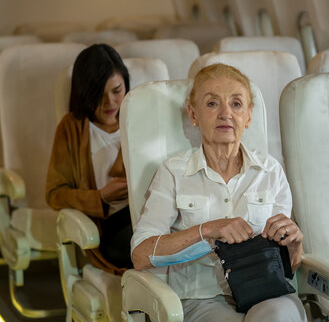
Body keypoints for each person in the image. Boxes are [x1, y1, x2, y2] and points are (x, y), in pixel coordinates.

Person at [131, 63, 307, 321]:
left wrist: (295, 245)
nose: (226, 113)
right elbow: (140, 255)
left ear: (248, 116)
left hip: (266, 293)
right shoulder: (173, 172)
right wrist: (208, 230)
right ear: (193, 114)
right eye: (212, 103)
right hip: (202, 299)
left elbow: (289, 266)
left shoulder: (271, 171)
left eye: (236, 104)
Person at [46, 44, 133, 274]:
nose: (110, 103)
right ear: (84, 94)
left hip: (150, 215)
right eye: (99, 95)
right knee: (153, 247)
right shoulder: (71, 128)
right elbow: (54, 195)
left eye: (117, 90)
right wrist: (101, 197)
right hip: (110, 227)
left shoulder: (138, 116)